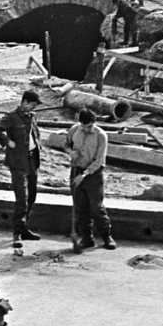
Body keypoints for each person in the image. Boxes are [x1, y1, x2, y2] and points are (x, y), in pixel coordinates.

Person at [0, 88, 43, 243]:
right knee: (22, 198)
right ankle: (17, 233)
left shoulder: (32, 116)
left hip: (33, 161)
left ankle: (24, 228)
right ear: (24, 102)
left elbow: (34, 133)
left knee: (32, 196)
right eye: (32, 105)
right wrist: (7, 142)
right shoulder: (11, 117)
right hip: (18, 163)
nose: (34, 108)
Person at [58, 107, 116, 253]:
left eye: (88, 126)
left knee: (96, 208)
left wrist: (83, 176)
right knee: (81, 208)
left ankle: (106, 236)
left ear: (93, 123)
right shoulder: (74, 130)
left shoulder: (100, 136)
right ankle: (87, 238)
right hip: (76, 171)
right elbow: (65, 144)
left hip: (93, 175)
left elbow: (99, 161)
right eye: (83, 126)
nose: (85, 129)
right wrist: (71, 152)